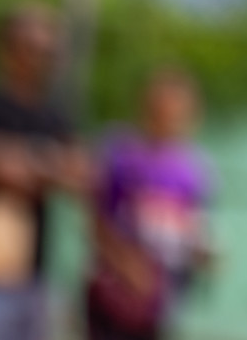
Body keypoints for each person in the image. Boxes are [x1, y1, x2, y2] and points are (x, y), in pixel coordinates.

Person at [0, 3, 84, 340]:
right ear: (7, 49)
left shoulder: (57, 114)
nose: (41, 59)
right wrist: (51, 163)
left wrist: (25, 160)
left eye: (49, 51)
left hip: (35, 272)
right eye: (32, 48)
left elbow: (79, 176)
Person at [84, 68, 213, 340]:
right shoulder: (119, 152)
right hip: (114, 293)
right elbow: (95, 219)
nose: (168, 117)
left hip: (163, 297)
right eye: (161, 109)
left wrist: (203, 251)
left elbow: (194, 225)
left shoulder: (195, 169)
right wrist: (127, 264)